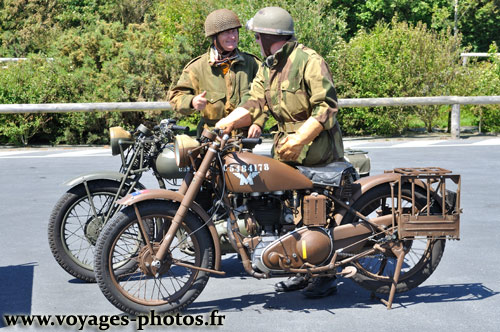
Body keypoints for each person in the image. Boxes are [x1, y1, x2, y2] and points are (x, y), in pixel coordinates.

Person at [216, 6, 344, 298]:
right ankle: (299, 267)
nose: (255, 40)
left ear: (267, 36)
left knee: (316, 212)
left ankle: (325, 276)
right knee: (289, 213)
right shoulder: (268, 66)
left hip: (318, 149)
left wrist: (300, 137)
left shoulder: (308, 61)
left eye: (257, 35)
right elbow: (254, 102)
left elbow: (327, 107)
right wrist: (226, 122)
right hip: (286, 150)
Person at [169, 8, 264, 138]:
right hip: (210, 139)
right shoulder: (197, 67)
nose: (233, 37)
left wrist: (258, 123)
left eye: (235, 31)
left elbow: (266, 97)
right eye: (226, 33)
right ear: (215, 37)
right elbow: (176, 97)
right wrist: (192, 101)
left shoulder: (252, 63)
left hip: (242, 139)